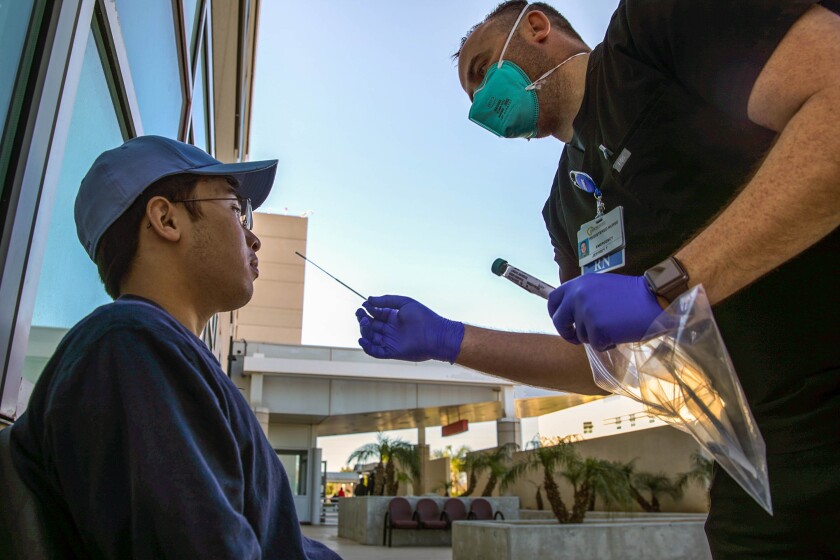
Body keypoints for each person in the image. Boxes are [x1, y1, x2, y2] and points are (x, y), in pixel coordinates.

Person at [355, 1, 839, 558]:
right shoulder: (565, 209)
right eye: (473, 97)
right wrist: (451, 340)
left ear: (536, 26)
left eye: (483, 69)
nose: (483, 104)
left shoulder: (652, 30)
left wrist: (664, 286)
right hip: (762, 464)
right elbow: (608, 365)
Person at [10, 136, 341, 559]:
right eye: (237, 211)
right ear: (166, 219)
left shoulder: (157, 352)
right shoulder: (132, 347)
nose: (252, 239)